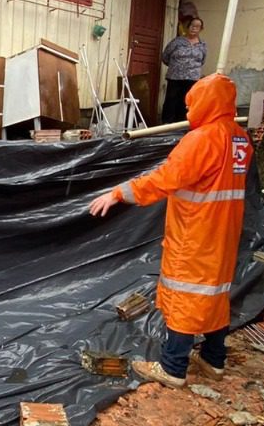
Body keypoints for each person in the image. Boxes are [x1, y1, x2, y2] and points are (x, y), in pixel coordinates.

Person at [87, 73, 252, 389]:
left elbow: (165, 178)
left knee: (186, 294)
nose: (189, 110)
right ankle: (214, 360)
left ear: (204, 103)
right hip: (225, 230)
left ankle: (173, 367)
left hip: (196, 230)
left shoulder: (202, 140)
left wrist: (118, 193)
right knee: (215, 292)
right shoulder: (239, 138)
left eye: (193, 103)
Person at [160, 16, 206, 124]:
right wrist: (176, 66)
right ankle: (166, 124)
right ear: (188, 27)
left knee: (186, 102)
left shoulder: (202, 45)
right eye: (192, 26)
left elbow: (202, 60)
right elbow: (165, 56)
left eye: (197, 27)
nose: (194, 28)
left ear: (201, 29)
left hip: (192, 78)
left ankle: (180, 125)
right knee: (171, 101)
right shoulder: (177, 41)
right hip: (175, 76)